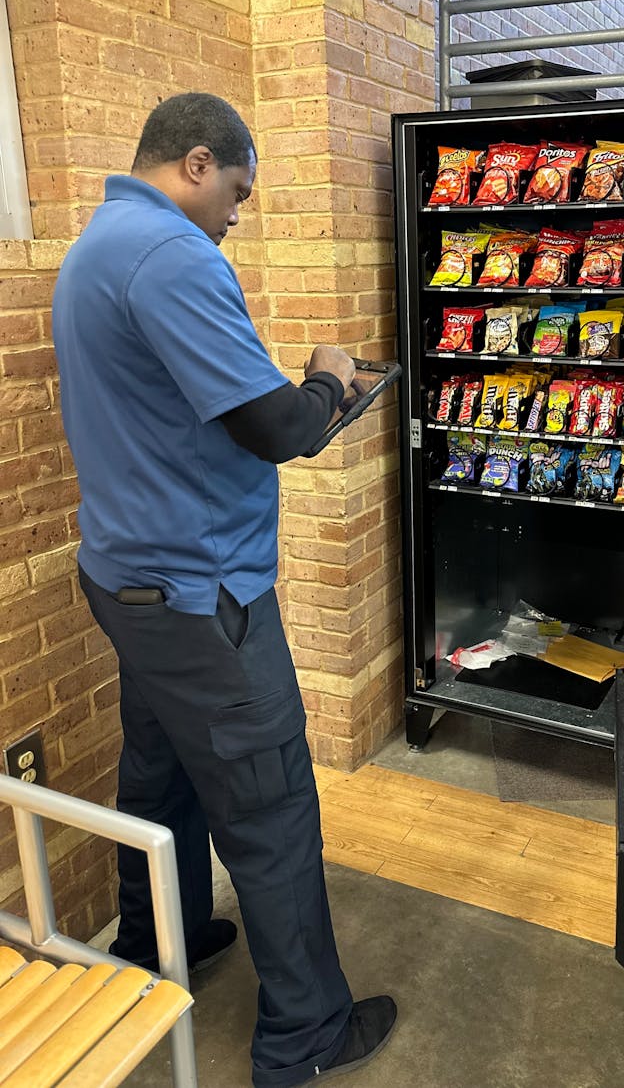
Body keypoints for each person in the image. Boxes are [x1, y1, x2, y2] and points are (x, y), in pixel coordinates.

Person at [51, 92, 397, 1087]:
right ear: (196, 163)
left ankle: (160, 935)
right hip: (203, 596)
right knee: (270, 802)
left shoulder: (99, 243)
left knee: (159, 769)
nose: (237, 214)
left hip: (125, 578)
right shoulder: (170, 257)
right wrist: (330, 377)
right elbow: (278, 429)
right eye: (237, 192)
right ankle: (304, 1036)